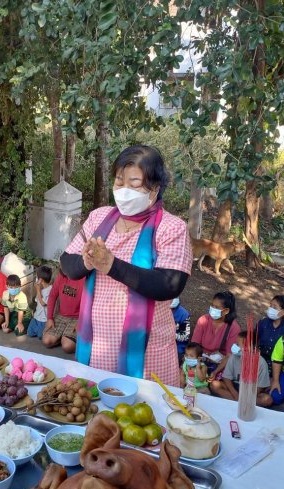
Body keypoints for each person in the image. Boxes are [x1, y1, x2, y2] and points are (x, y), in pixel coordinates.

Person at [60, 145, 192, 385]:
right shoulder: (99, 218)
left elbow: (169, 285)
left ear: (154, 189)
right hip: (97, 347)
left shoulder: (171, 228)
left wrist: (112, 265)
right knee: (97, 414)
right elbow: (67, 264)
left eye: (134, 184)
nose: (123, 190)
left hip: (146, 355)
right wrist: (87, 261)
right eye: (119, 182)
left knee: (146, 416)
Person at [210, 331, 273, 407]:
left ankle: (237, 401)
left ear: (247, 346)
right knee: (214, 384)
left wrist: (247, 396)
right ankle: (241, 403)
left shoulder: (261, 363)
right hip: (234, 387)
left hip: (250, 391)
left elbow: (260, 387)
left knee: (267, 400)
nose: (235, 346)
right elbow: (226, 377)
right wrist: (235, 393)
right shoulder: (234, 356)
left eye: (237, 344)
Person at [190, 290, 240, 379]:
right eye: (212, 305)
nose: (213, 309)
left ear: (226, 311)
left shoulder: (233, 328)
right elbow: (194, 346)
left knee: (215, 384)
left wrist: (215, 372)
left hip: (220, 364)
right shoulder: (203, 320)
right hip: (200, 359)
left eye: (217, 307)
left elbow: (229, 355)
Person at [42, 269, 84, 354]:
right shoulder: (61, 276)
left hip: (77, 318)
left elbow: (89, 303)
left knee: (67, 347)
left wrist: (81, 321)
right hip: (61, 315)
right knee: (47, 341)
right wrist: (49, 318)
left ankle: (64, 337)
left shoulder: (85, 278)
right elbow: (52, 296)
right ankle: (62, 336)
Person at [257, 295, 284, 374]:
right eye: (270, 305)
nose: (270, 309)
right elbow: (255, 338)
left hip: (279, 366)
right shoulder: (264, 322)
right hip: (260, 360)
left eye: (274, 307)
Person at [28, 265, 52, 339]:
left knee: (40, 336)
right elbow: (36, 300)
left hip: (44, 319)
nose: (36, 279)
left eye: (37, 277)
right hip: (36, 317)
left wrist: (38, 290)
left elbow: (43, 303)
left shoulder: (50, 290)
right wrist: (38, 290)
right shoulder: (41, 289)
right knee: (30, 333)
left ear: (41, 280)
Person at [171, 297, 191, 364]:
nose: (171, 311)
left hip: (177, 347)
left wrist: (171, 335)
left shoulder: (184, 314)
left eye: (173, 309)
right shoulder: (159, 311)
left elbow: (186, 337)